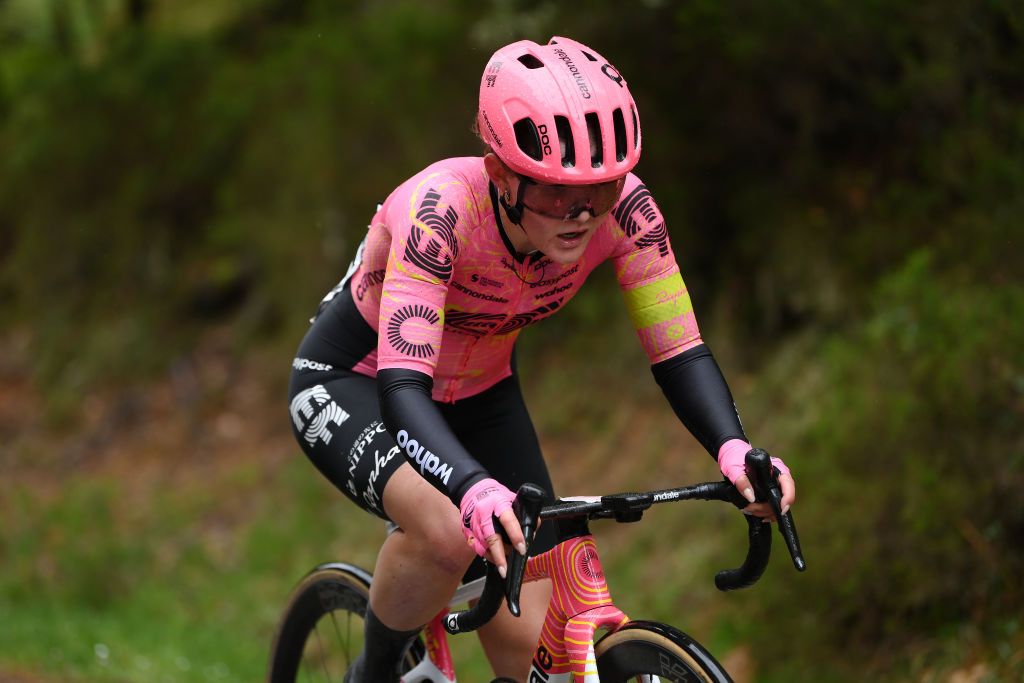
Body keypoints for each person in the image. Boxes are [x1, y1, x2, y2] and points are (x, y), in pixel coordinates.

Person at [287, 36, 796, 683]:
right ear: (501, 174)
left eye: (601, 188)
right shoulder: (439, 212)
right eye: (558, 192)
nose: (582, 212)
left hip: (480, 392)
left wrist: (734, 450)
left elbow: (679, 347)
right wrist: (470, 486)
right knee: (447, 534)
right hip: (357, 384)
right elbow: (404, 387)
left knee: (532, 644)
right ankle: (374, 672)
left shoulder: (629, 212)